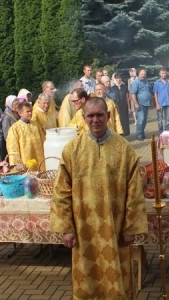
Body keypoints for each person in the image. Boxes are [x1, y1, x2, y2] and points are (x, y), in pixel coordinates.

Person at [50, 97, 148, 300]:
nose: (96, 120)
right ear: (84, 118)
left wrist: (131, 227)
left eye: (100, 115)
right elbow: (61, 192)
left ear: (108, 116)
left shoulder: (124, 150)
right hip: (84, 230)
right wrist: (67, 228)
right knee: (88, 281)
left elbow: (135, 192)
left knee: (117, 283)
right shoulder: (72, 150)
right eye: (91, 115)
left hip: (116, 228)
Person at [7, 102, 45, 171]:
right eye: (27, 111)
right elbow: (13, 148)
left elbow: (43, 140)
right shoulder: (15, 128)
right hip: (26, 162)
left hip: (40, 160)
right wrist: (18, 166)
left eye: (31, 111)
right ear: (20, 113)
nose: (30, 113)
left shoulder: (36, 125)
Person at [131, 69, 152, 141]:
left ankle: (142, 133)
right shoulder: (135, 82)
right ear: (138, 74)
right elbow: (133, 94)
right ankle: (139, 134)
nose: (143, 75)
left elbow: (149, 92)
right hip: (140, 104)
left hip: (146, 104)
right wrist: (136, 103)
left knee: (144, 120)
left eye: (144, 74)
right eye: (142, 74)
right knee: (141, 119)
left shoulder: (147, 82)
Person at [154, 68, 169, 134]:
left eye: (165, 73)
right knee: (160, 119)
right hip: (160, 103)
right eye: (162, 73)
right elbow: (155, 94)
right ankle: (160, 132)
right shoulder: (156, 83)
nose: (163, 75)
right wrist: (157, 104)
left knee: (167, 119)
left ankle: (167, 131)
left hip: (168, 103)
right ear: (159, 74)